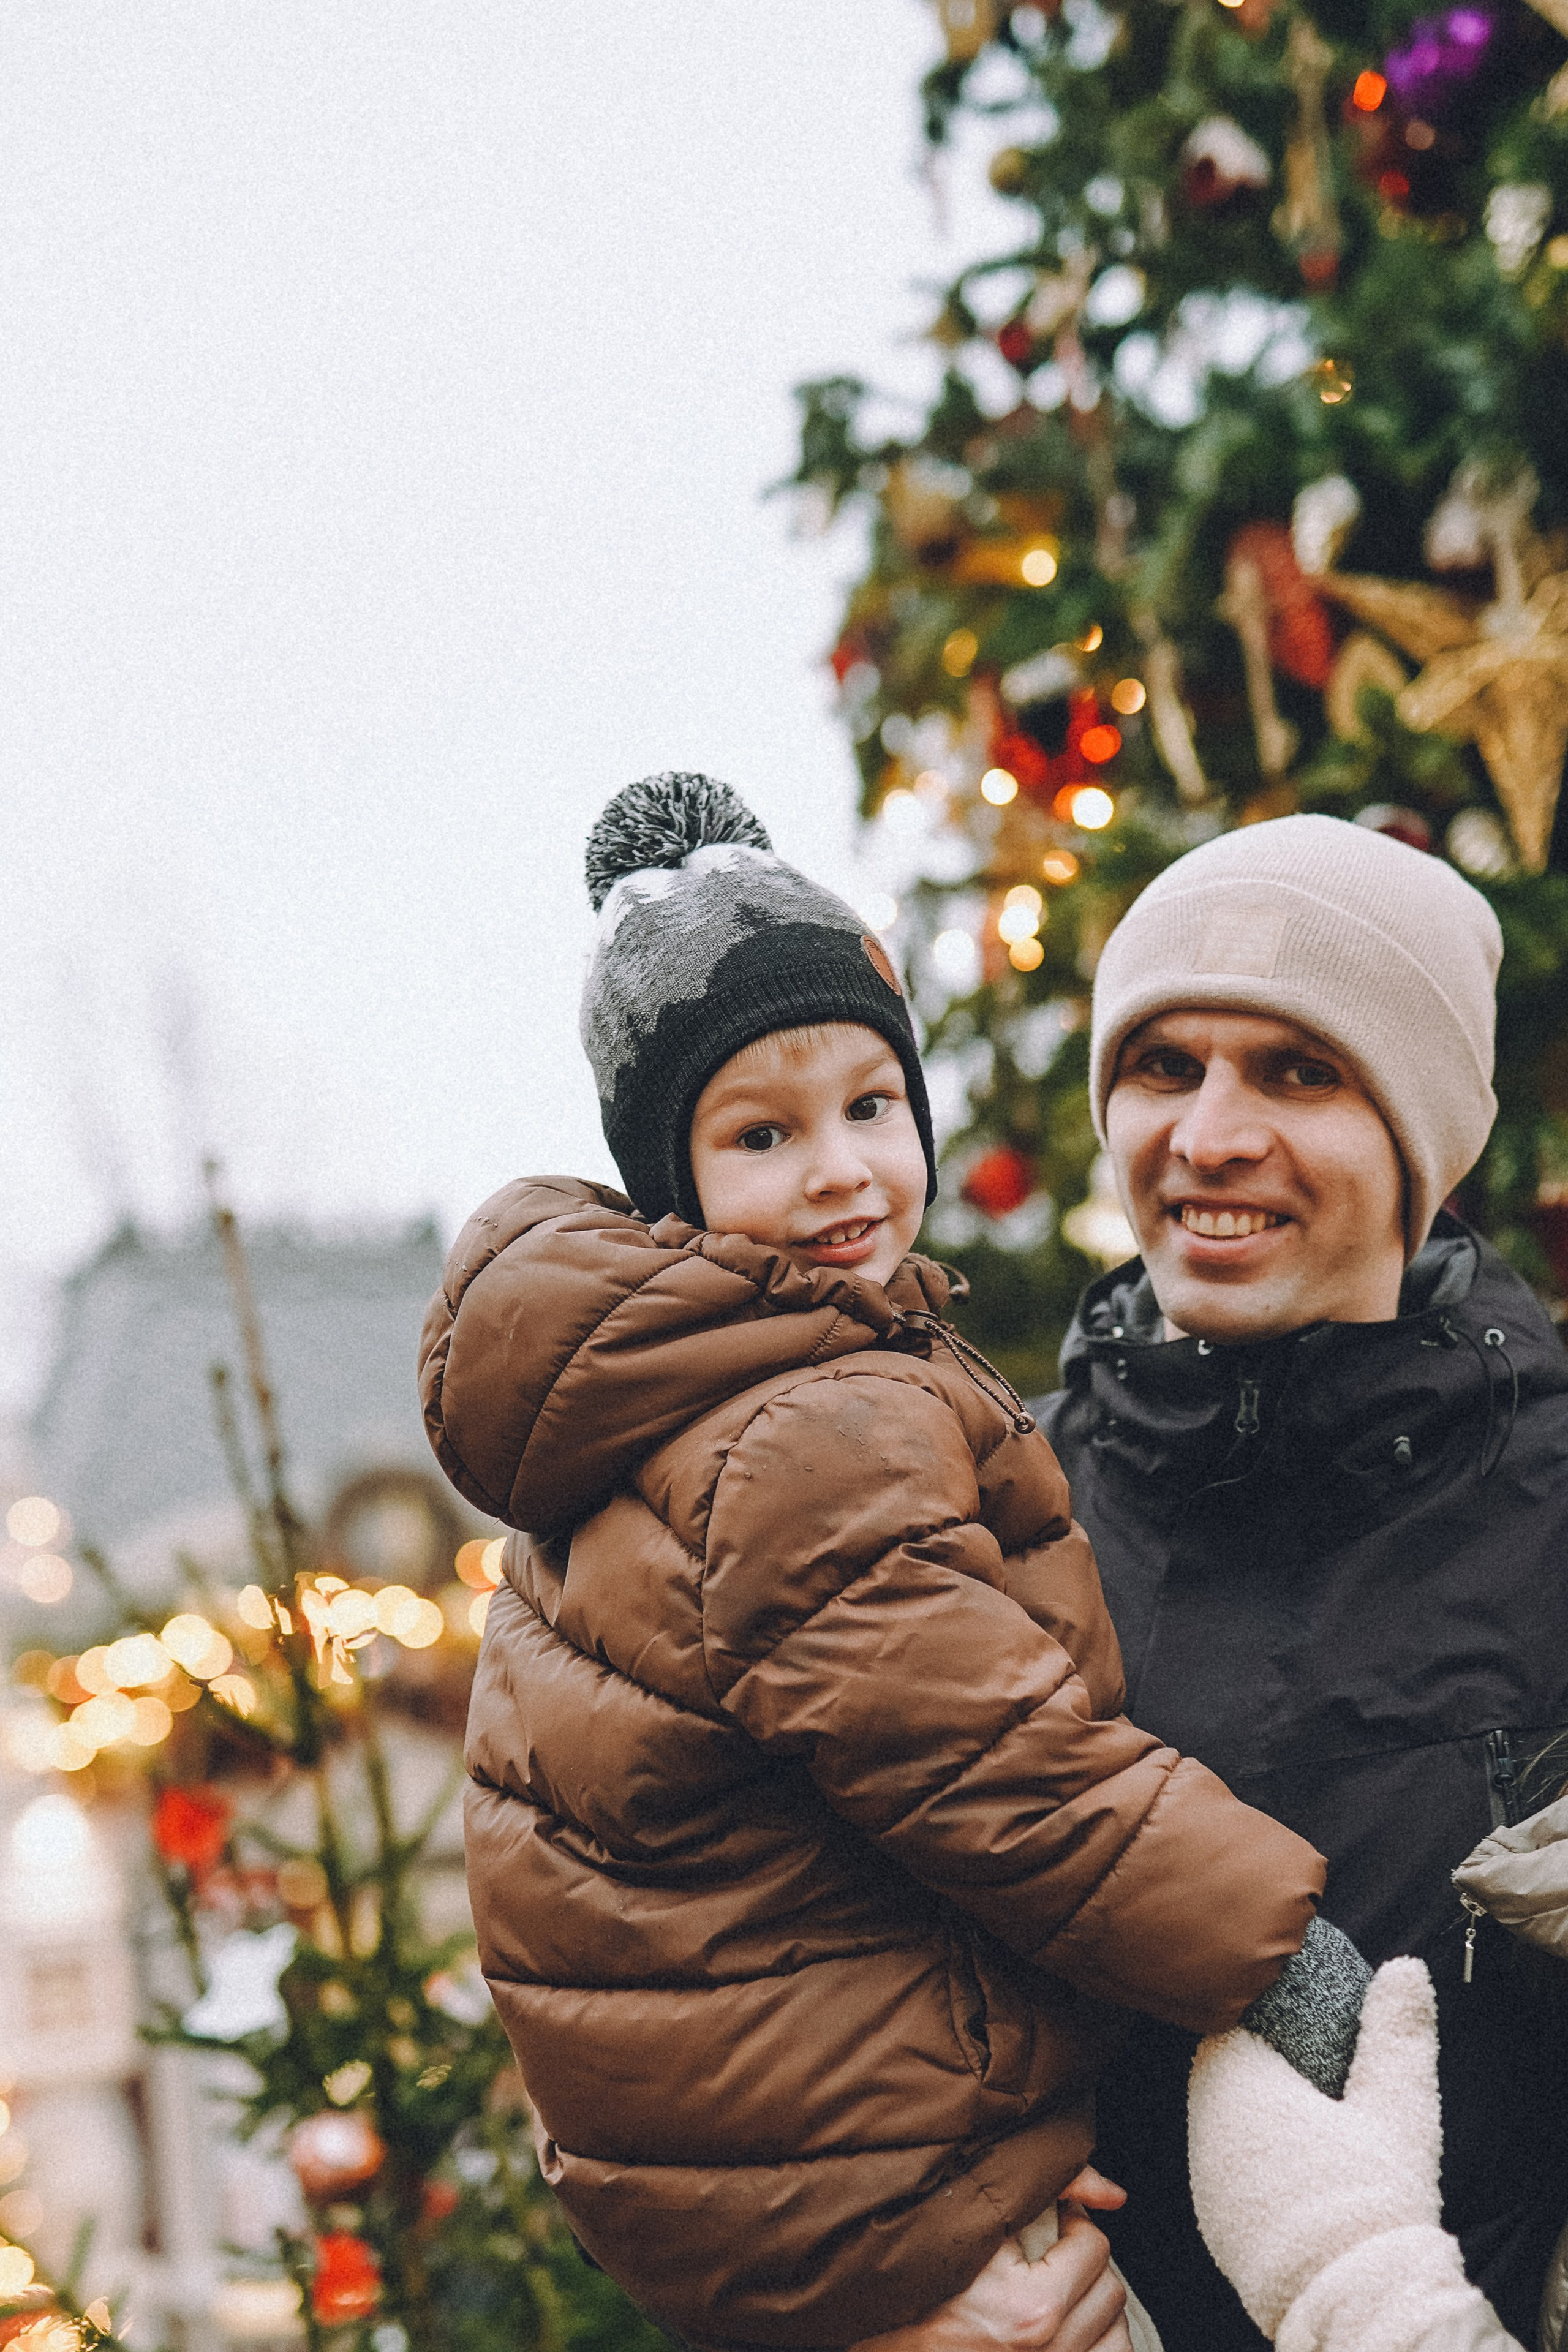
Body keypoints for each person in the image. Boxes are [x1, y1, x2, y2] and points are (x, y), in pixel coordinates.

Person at [418, 774, 1355, 2352]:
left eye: (870, 1106)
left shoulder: (715, 1382)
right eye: (762, 1133)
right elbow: (996, 1769)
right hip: (862, 2203)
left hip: (782, 2165)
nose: (842, 1168)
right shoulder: (803, 1428)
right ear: (673, 1180)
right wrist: (1273, 1951)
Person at [1034, 813, 1568, 2351]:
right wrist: (911, 2278)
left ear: (1422, 1137)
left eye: (1297, 1072)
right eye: (1161, 1067)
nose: (1206, 1136)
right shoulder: (982, 1511)